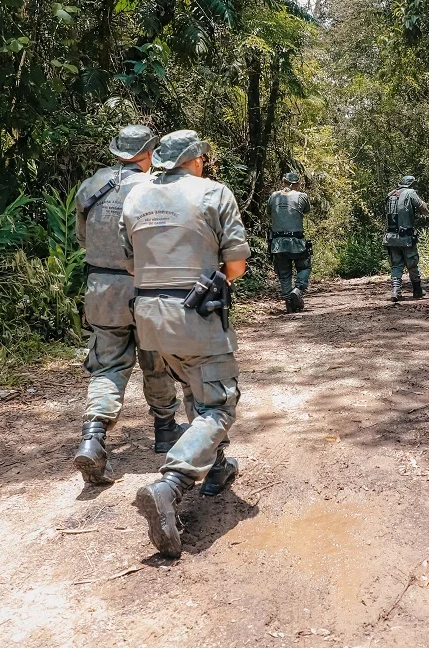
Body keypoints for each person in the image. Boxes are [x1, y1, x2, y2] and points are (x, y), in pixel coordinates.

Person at [120, 130, 250, 558]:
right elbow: (236, 265)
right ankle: (170, 484)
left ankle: (217, 470)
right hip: (194, 312)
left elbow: (129, 260)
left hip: (147, 316)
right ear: (195, 159)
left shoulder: (135, 197)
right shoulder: (214, 193)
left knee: (195, 389)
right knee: (218, 402)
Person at [73, 125, 185, 486]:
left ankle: (93, 438)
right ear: (150, 152)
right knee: (158, 361)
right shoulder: (156, 188)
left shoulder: (90, 186)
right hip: (147, 288)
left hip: (101, 288)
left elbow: (82, 237)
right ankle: (166, 430)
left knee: (107, 365)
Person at [267, 171, 311, 313]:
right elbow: (306, 210)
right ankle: (298, 289)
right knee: (304, 267)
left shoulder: (274, 196)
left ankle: (289, 302)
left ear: (284, 182)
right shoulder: (301, 197)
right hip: (296, 241)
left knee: (284, 272)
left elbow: (269, 212)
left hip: (278, 242)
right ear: (297, 183)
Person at [383, 175, 428, 302]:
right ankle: (417, 291)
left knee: (396, 265)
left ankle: (395, 291)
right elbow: (423, 209)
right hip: (406, 236)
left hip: (391, 237)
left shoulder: (390, 194)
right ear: (411, 184)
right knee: (412, 263)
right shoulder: (411, 193)